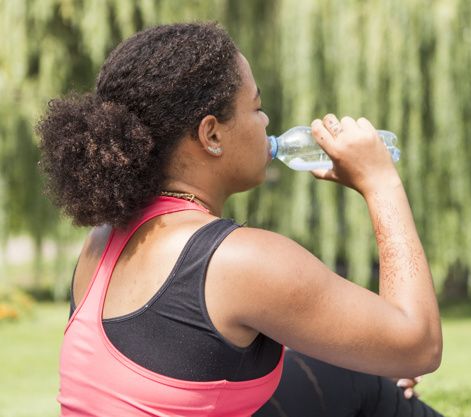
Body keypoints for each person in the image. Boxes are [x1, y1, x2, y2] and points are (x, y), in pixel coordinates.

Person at [37, 22, 443, 416]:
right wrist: (380, 182)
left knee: (352, 374)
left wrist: (365, 355)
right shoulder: (236, 260)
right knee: (372, 379)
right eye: (256, 107)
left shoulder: (102, 239)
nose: (266, 122)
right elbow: (419, 346)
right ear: (211, 135)